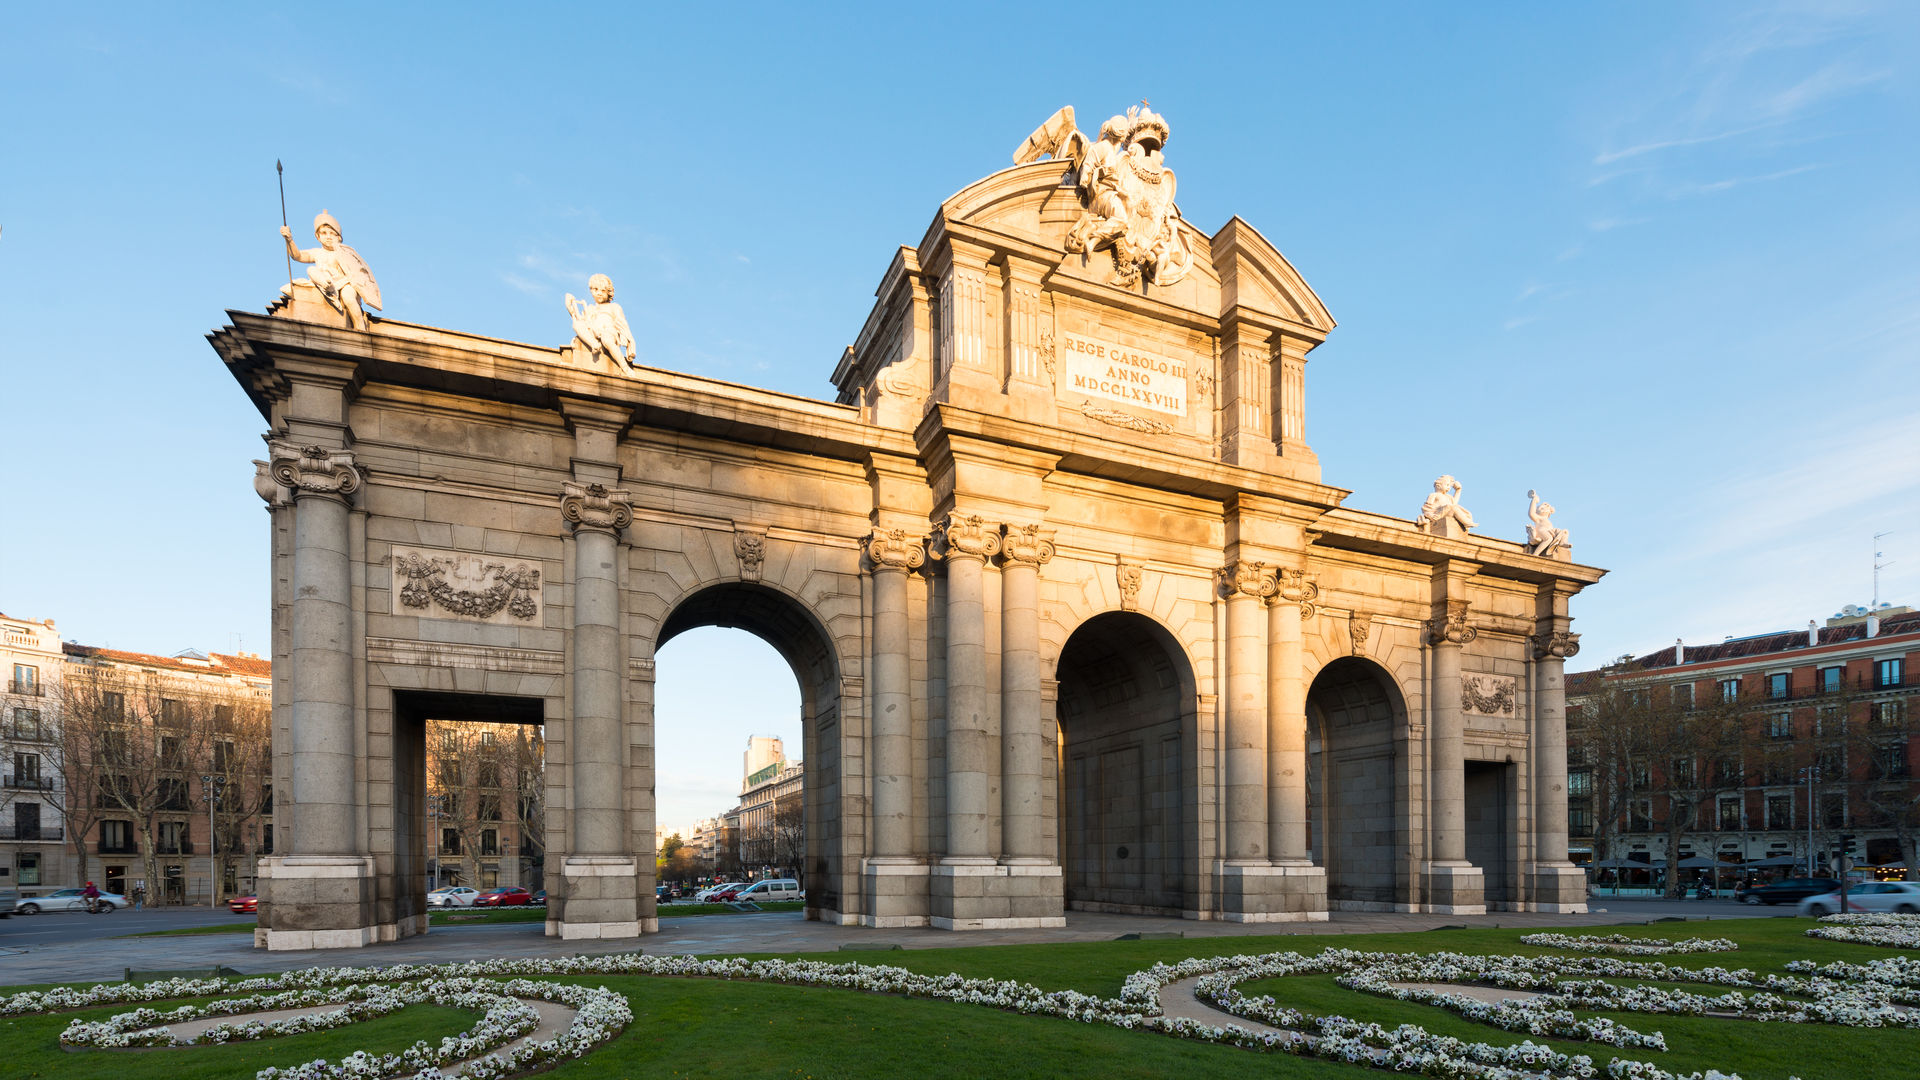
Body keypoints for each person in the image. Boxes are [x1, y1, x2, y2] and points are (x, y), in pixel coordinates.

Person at [281, 210, 382, 331]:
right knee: (311, 269)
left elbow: (358, 272)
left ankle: (360, 326)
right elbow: (297, 256)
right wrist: (290, 240)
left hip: (344, 283)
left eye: (332, 233)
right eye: (324, 233)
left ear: (338, 237)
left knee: (348, 296)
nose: (328, 237)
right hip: (325, 282)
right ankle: (327, 286)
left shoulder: (344, 253)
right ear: (318, 236)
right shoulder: (317, 253)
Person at [564, 274, 637, 370]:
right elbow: (580, 320)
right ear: (591, 291)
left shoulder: (614, 307)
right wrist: (569, 306)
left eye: (603, 291)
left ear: (609, 292)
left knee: (607, 339)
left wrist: (630, 343)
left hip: (609, 332)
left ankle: (624, 367)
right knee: (577, 324)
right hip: (593, 333)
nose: (599, 293)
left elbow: (622, 324)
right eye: (596, 290)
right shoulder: (590, 308)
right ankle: (594, 344)